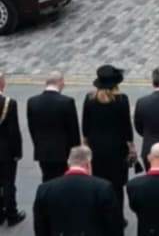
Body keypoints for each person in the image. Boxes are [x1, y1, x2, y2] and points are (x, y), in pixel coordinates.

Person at [81, 65, 135, 224]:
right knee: (117, 187)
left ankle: (101, 216)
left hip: (96, 149)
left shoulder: (89, 99)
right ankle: (118, 217)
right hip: (117, 150)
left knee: (98, 184)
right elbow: (126, 128)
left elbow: (85, 127)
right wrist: (131, 147)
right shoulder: (121, 100)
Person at [33, 145, 123, 236]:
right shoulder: (103, 188)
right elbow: (114, 226)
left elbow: (40, 227)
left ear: (69, 164)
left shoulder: (45, 189)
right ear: (88, 164)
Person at [27, 71, 79, 182]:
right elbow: (73, 131)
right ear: (59, 82)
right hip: (63, 153)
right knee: (63, 182)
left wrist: (38, 145)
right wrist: (75, 152)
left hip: (43, 152)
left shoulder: (32, 102)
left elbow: (32, 129)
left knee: (47, 180)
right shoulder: (67, 102)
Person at [0, 72, 25, 227]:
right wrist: (17, 152)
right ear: (2, 84)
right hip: (5, 152)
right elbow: (13, 131)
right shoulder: (9, 103)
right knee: (8, 183)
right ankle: (11, 213)